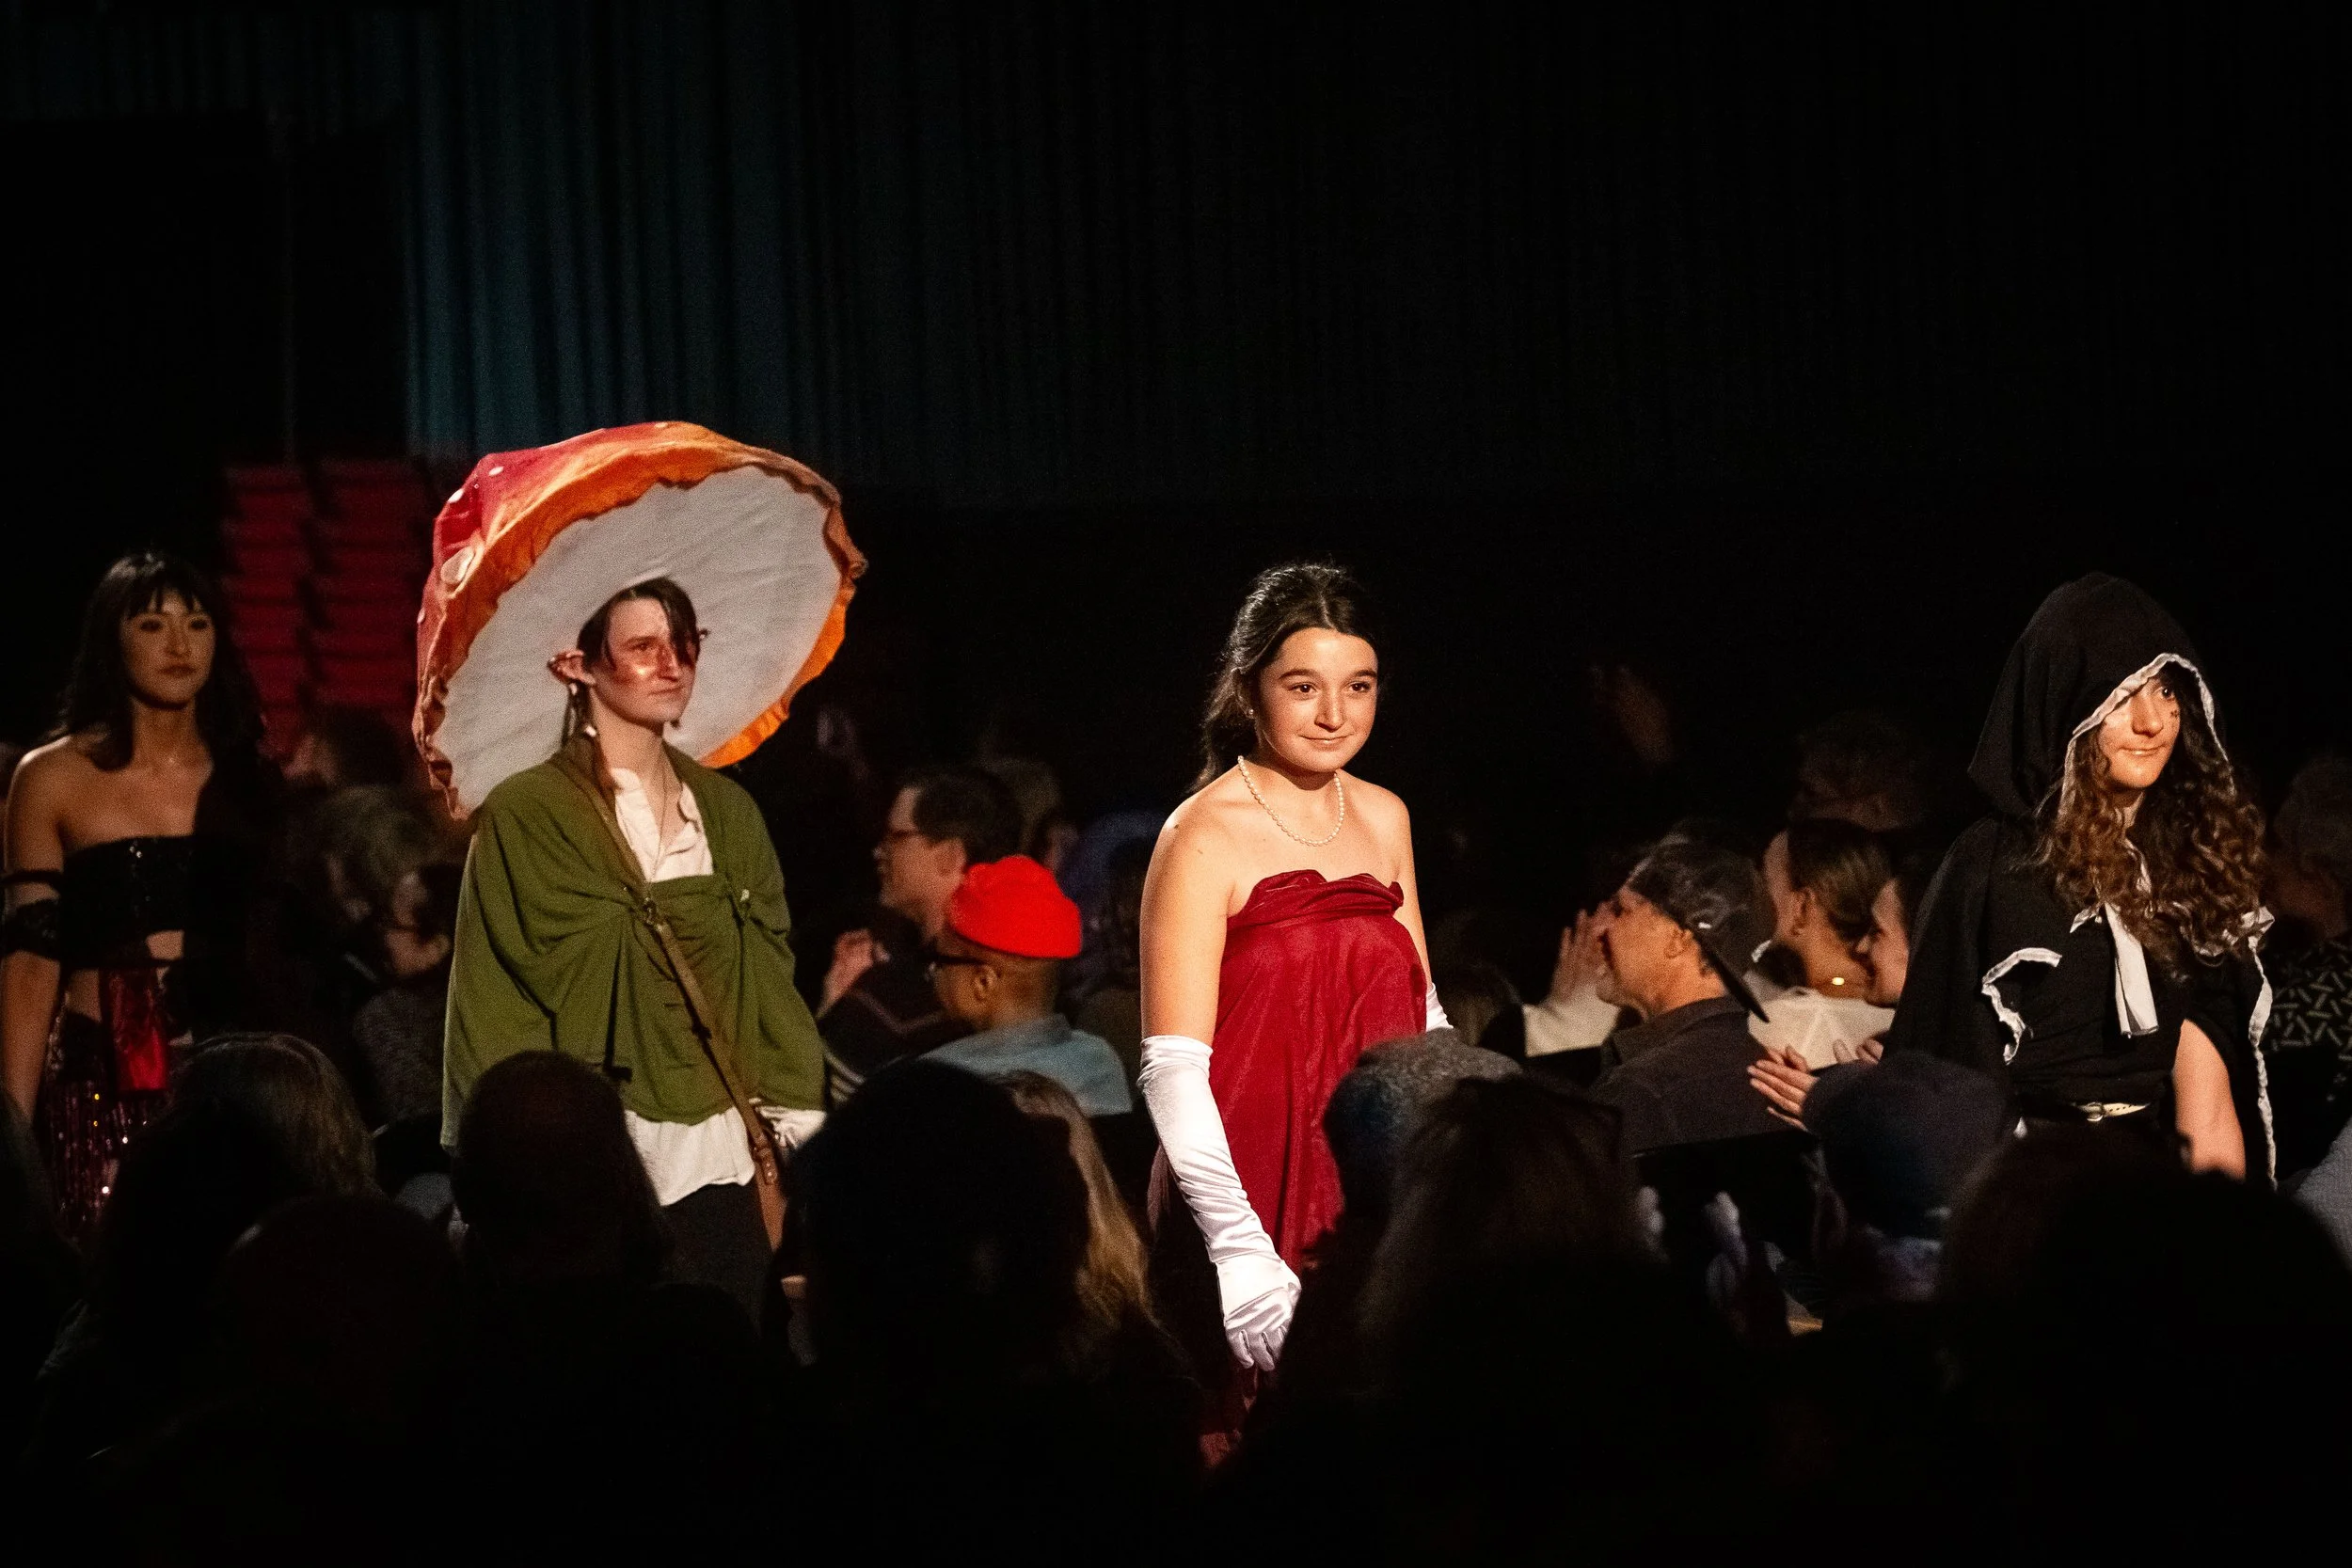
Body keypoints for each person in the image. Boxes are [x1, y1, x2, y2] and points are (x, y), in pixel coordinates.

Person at [443, 576, 825, 1318]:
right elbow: (499, 994)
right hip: (591, 1174)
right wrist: (507, 1164)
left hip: (726, 1159)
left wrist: (803, 1143)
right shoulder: (529, 813)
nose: (671, 665)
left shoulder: (726, 810)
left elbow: (768, 983)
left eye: (683, 645)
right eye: (643, 647)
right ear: (576, 664)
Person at [1136, 562, 1441, 1386]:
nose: (1336, 713)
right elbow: (1172, 1066)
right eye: (1304, 685)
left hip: (1365, 1163)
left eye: (1360, 685)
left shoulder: (1384, 814)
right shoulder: (1201, 832)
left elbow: (1425, 1009)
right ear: (1248, 687)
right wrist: (1237, 1247)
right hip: (1241, 1169)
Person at [1882, 575, 2272, 1179]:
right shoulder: (1995, 865)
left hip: (2149, 1175)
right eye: (2120, 696)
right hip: (2028, 1179)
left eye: (2166, 690)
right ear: (2065, 707)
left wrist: (2219, 1236)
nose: (2152, 721)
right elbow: (1956, 1077)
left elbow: (2208, 1100)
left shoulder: (2186, 859)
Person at [2, 552, 278, 1239]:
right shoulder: (52, 778)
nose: (180, 644)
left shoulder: (247, 780)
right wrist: (10, 1130)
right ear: (112, 638)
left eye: (198, 621)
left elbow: (270, 948)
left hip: (225, 1075)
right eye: (153, 623)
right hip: (99, 1079)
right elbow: (31, 960)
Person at [1564, 834, 1785, 1154]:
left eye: (1621, 910)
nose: (1600, 930)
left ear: (1678, 938)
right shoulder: (1769, 1079)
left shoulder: (1640, 1092)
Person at [818, 765, 1023, 1101]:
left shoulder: (891, 1006)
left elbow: (804, 1112)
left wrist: (834, 1004)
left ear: (950, 856)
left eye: (894, 836)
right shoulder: (1020, 981)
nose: (879, 851)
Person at [923, 855, 1131, 1116]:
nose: (934, 973)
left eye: (940, 961)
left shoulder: (934, 1086)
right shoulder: (1100, 1064)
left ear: (983, 982)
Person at [2263, 754, 2352, 1171]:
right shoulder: (2305, 968)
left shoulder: (2317, 999)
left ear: (2318, 870)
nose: (2263, 861)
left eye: (2278, 845)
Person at [1750, 819, 1895, 1068]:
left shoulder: (1779, 1025)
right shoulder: (1907, 1016)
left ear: (1802, 906)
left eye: (1765, 880)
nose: (1754, 896)